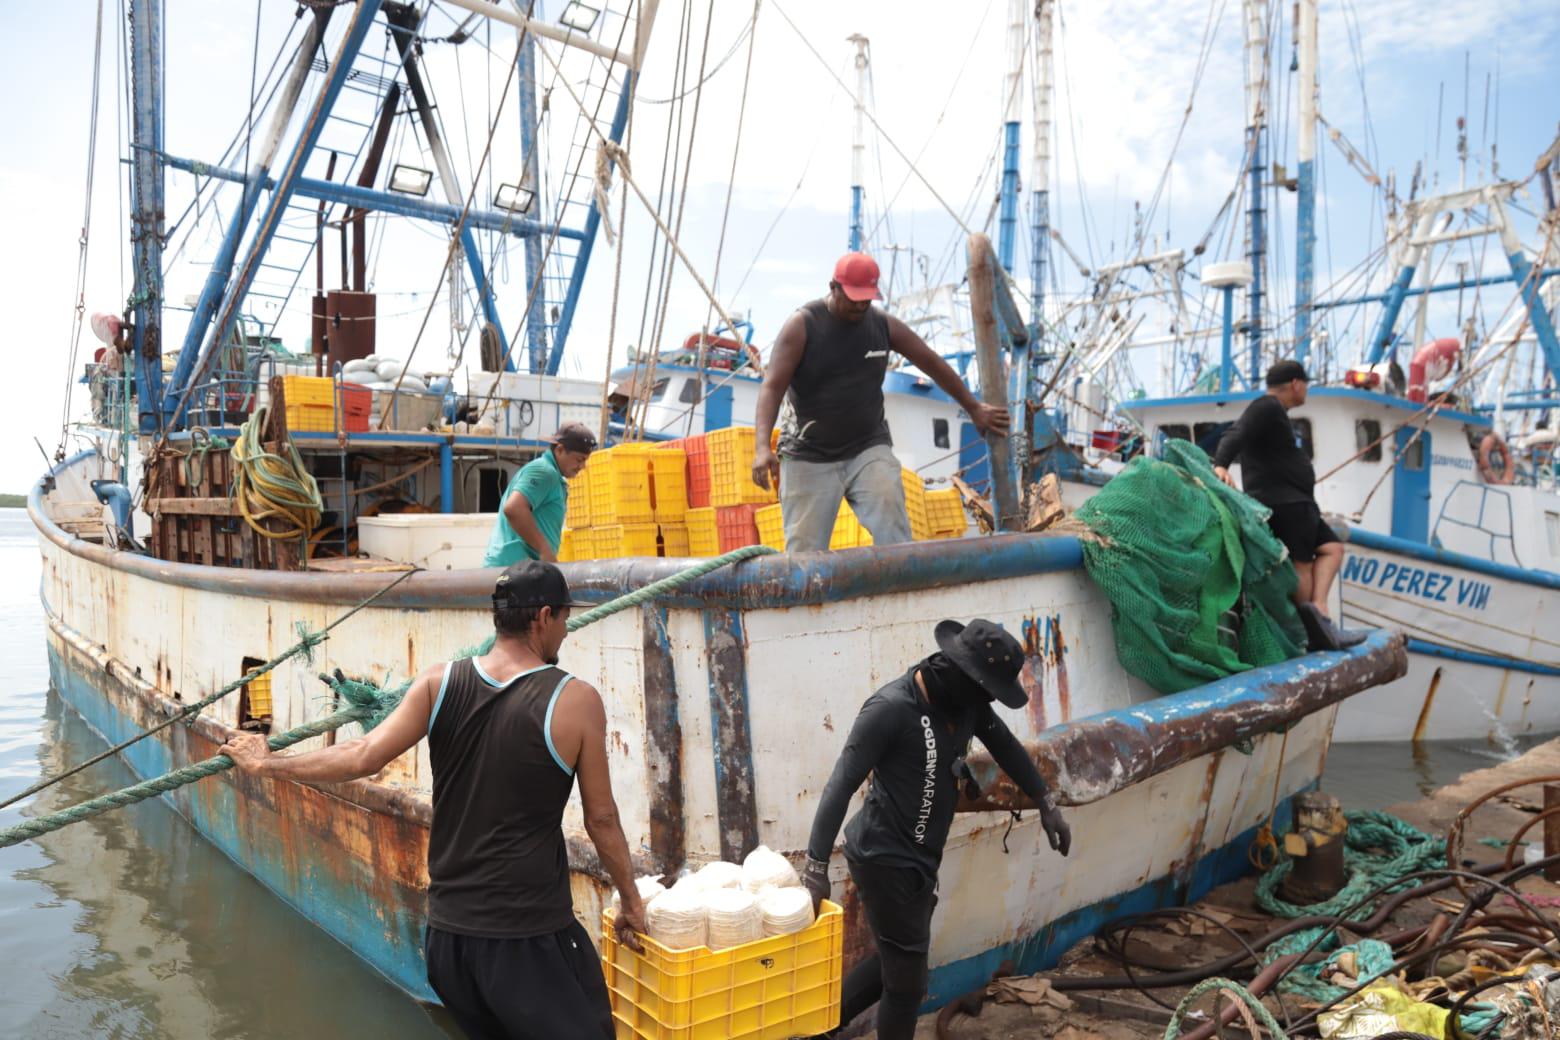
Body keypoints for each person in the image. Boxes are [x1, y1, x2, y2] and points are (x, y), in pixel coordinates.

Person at [221, 561, 645, 1040]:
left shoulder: (439, 683)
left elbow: (361, 755)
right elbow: (602, 819)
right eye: (565, 619)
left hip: (449, 944)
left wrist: (268, 763)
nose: (566, 631)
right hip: (527, 940)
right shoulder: (575, 699)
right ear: (543, 617)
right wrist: (631, 901)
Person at [800, 619, 1072, 1040]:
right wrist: (815, 866)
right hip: (883, 857)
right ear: (961, 672)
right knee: (909, 987)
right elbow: (841, 782)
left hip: (920, 860)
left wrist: (1046, 800)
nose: (987, 702)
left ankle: (814, 1030)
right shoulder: (891, 709)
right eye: (986, 690)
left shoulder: (966, 703)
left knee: (896, 965)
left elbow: (1006, 746)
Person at [751, 252, 1011, 552]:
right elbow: (771, 388)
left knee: (894, 530)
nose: (860, 305)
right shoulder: (802, 326)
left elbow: (932, 363)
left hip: (867, 447)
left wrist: (974, 408)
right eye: (853, 298)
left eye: (867, 299)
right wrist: (761, 448)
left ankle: (900, 591)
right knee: (804, 555)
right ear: (833, 287)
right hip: (808, 454)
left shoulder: (882, 325)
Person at [1212, 360, 1364, 650]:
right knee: (1302, 566)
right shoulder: (1266, 407)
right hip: (1287, 504)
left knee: (1333, 549)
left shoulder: (1275, 413)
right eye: (1305, 384)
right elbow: (1236, 434)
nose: (1306, 389)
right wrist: (1221, 465)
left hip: (1299, 504)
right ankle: (1310, 635)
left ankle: (1320, 613)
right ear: (1296, 384)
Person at [483, 422, 597, 566]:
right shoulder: (544, 472)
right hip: (514, 570)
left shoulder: (552, 476)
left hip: (522, 569)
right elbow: (514, 509)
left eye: (585, 460)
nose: (582, 466)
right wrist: (545, 551)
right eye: (580, 460)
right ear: (560, 450)